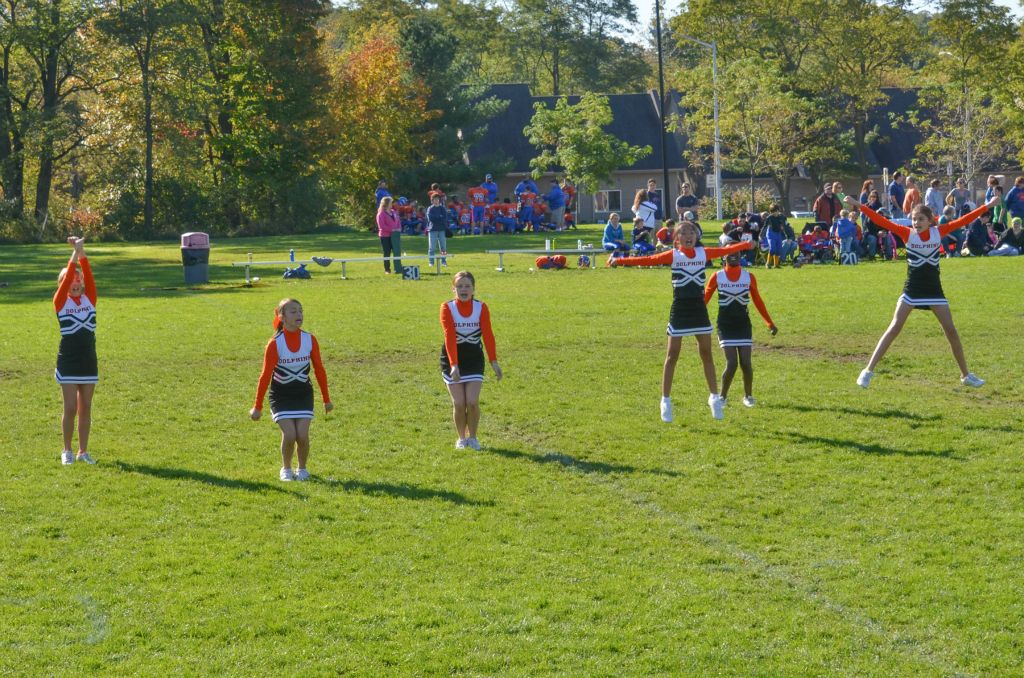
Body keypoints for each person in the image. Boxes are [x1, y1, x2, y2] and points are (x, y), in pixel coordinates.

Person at [844, 194, 996, 389]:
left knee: (951, 331)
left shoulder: (939, 232)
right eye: (914, 219)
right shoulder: (907, 233)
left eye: (921, 219)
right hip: (912, 290)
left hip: (934, 290)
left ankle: (965, 375)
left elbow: (964, 220)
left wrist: (987, 205)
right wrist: (858, 205)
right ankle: (867, 371)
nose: (916, 223)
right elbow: (880, 220)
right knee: (894, 327)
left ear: (930, 220)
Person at [609, 221, 753, 422]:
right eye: (683, 232)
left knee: (706, 353)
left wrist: (746, 245)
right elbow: (649, 259)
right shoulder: (674, 255)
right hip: (680, 309)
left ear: (696, 236)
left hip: (698, 309)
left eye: (691, 232)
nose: (688, 235)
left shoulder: (703, 253)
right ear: (676, 239)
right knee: (672, 355)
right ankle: (665, 401)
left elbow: (724, 250)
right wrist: (620, 260)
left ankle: (714, 397)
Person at [251, 299, 332, 481]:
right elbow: (265, 376)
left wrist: (326, 399)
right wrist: (257, 406)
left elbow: (319, 370)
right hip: (281, 396)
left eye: (300, 311)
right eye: (293, 311)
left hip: (303, 394)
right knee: (289, 435)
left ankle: (302, 469)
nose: (299, 314)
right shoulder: (274, 343)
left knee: (302, 435)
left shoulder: (310, 339)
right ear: (282, 317)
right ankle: (286, 469)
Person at [704, 251, 778, 407]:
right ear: (723, 256)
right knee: (732, 364)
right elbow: (703, 300)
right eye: (729, 253)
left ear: (740, 256)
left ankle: (748, 397)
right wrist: (692, 319)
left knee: (746, 363)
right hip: (725, 325)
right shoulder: (717, 276)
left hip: (743, 325)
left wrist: (769, 323)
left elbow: (758, 301)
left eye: (736, 253)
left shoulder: (749, 277)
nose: (733, 255)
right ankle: (722, 398)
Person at [439, 271, 502, 451]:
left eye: (467, 286)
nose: (463, 289)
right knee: (459, 403)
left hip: (474, 359)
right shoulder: (446, 307)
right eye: (459, 286)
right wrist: (454, 365)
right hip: (452, 359)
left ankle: (473, 438)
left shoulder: (481, 307)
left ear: (474, 289)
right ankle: (461, 438)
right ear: (453, 289)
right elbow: (449, 337)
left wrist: (494, 362)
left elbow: (488, 335)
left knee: (472, 402)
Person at [54, 237, 98, 465]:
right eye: (71, 280)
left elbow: (87, 273)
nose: (76, 283)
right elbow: (70, 275)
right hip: (68, 361)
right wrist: (74, 254)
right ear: (63, 284)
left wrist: (81, 251)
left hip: (88, 361)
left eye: (78, 280)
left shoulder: (90, 299)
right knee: (70, 407)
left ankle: (83, 451)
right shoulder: (61, 302)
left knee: (85, 408)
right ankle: (67, 451)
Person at [376, 196, 403, 275]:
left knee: (397, 252)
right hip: (385, 236)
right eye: (391, 202)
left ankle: (398, 268)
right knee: (387, 252)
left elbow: (398, 222)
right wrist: (392, 230)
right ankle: (387, 269)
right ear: (386, 204)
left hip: (395, 236)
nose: (392, 204)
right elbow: (382, 226)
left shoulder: (394, 212)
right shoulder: (381, 214)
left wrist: (399, 228)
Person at [425, 194, 449, 266]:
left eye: (437, 199)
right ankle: (431, 262)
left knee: (443, 247)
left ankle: (444, 261)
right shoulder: (430, 209)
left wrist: (437, 218)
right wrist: (439, 217)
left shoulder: (442, 208)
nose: (436, 201)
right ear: (432, 201)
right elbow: (430, 219)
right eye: (435, 199)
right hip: (432, 230)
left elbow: (444, 218)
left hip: (442, 229)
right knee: (432, 247)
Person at [763, 204, 788, 268]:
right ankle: (767, 263)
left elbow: (783, 225)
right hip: (771, 234)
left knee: (778, 249)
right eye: (774, 211)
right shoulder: (769, 218)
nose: (776, 213)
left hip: (778, 234)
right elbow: (764, 226)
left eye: (777, 211)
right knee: (772, 249)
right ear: (771, 212)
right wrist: (760, 235)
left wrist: (783, 230)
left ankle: (776, 265)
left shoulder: (780, 217)